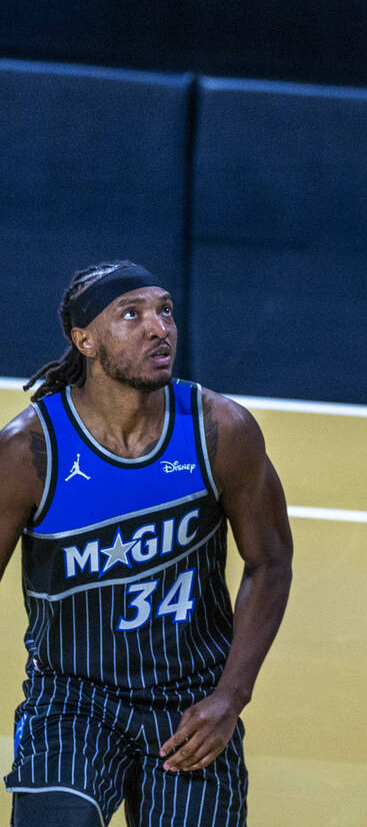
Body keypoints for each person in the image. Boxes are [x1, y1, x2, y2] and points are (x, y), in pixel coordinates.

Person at [1, 261, 293, 826]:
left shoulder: (220, 430)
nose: (158, 328)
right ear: (83, 341)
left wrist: (230, 698)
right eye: (130, 315)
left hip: (191, 703)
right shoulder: (29, 452)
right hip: (72, 700)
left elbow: (270, 561)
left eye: (164, 310)